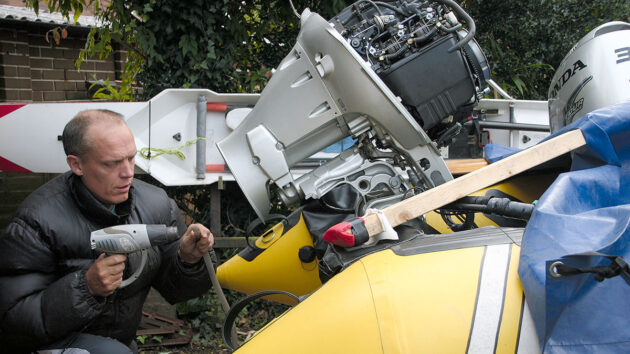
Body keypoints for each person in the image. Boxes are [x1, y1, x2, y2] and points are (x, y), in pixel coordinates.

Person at [0, 109, 215, 353]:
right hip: (50, 344)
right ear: (76, 164)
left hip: (117, 344)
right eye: (111, 163)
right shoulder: (36, 222)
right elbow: (13, 321)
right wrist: (85, 287)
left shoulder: (156, 204)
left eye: (131, 158)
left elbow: (179, 291)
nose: (128, 173)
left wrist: (188, 260)